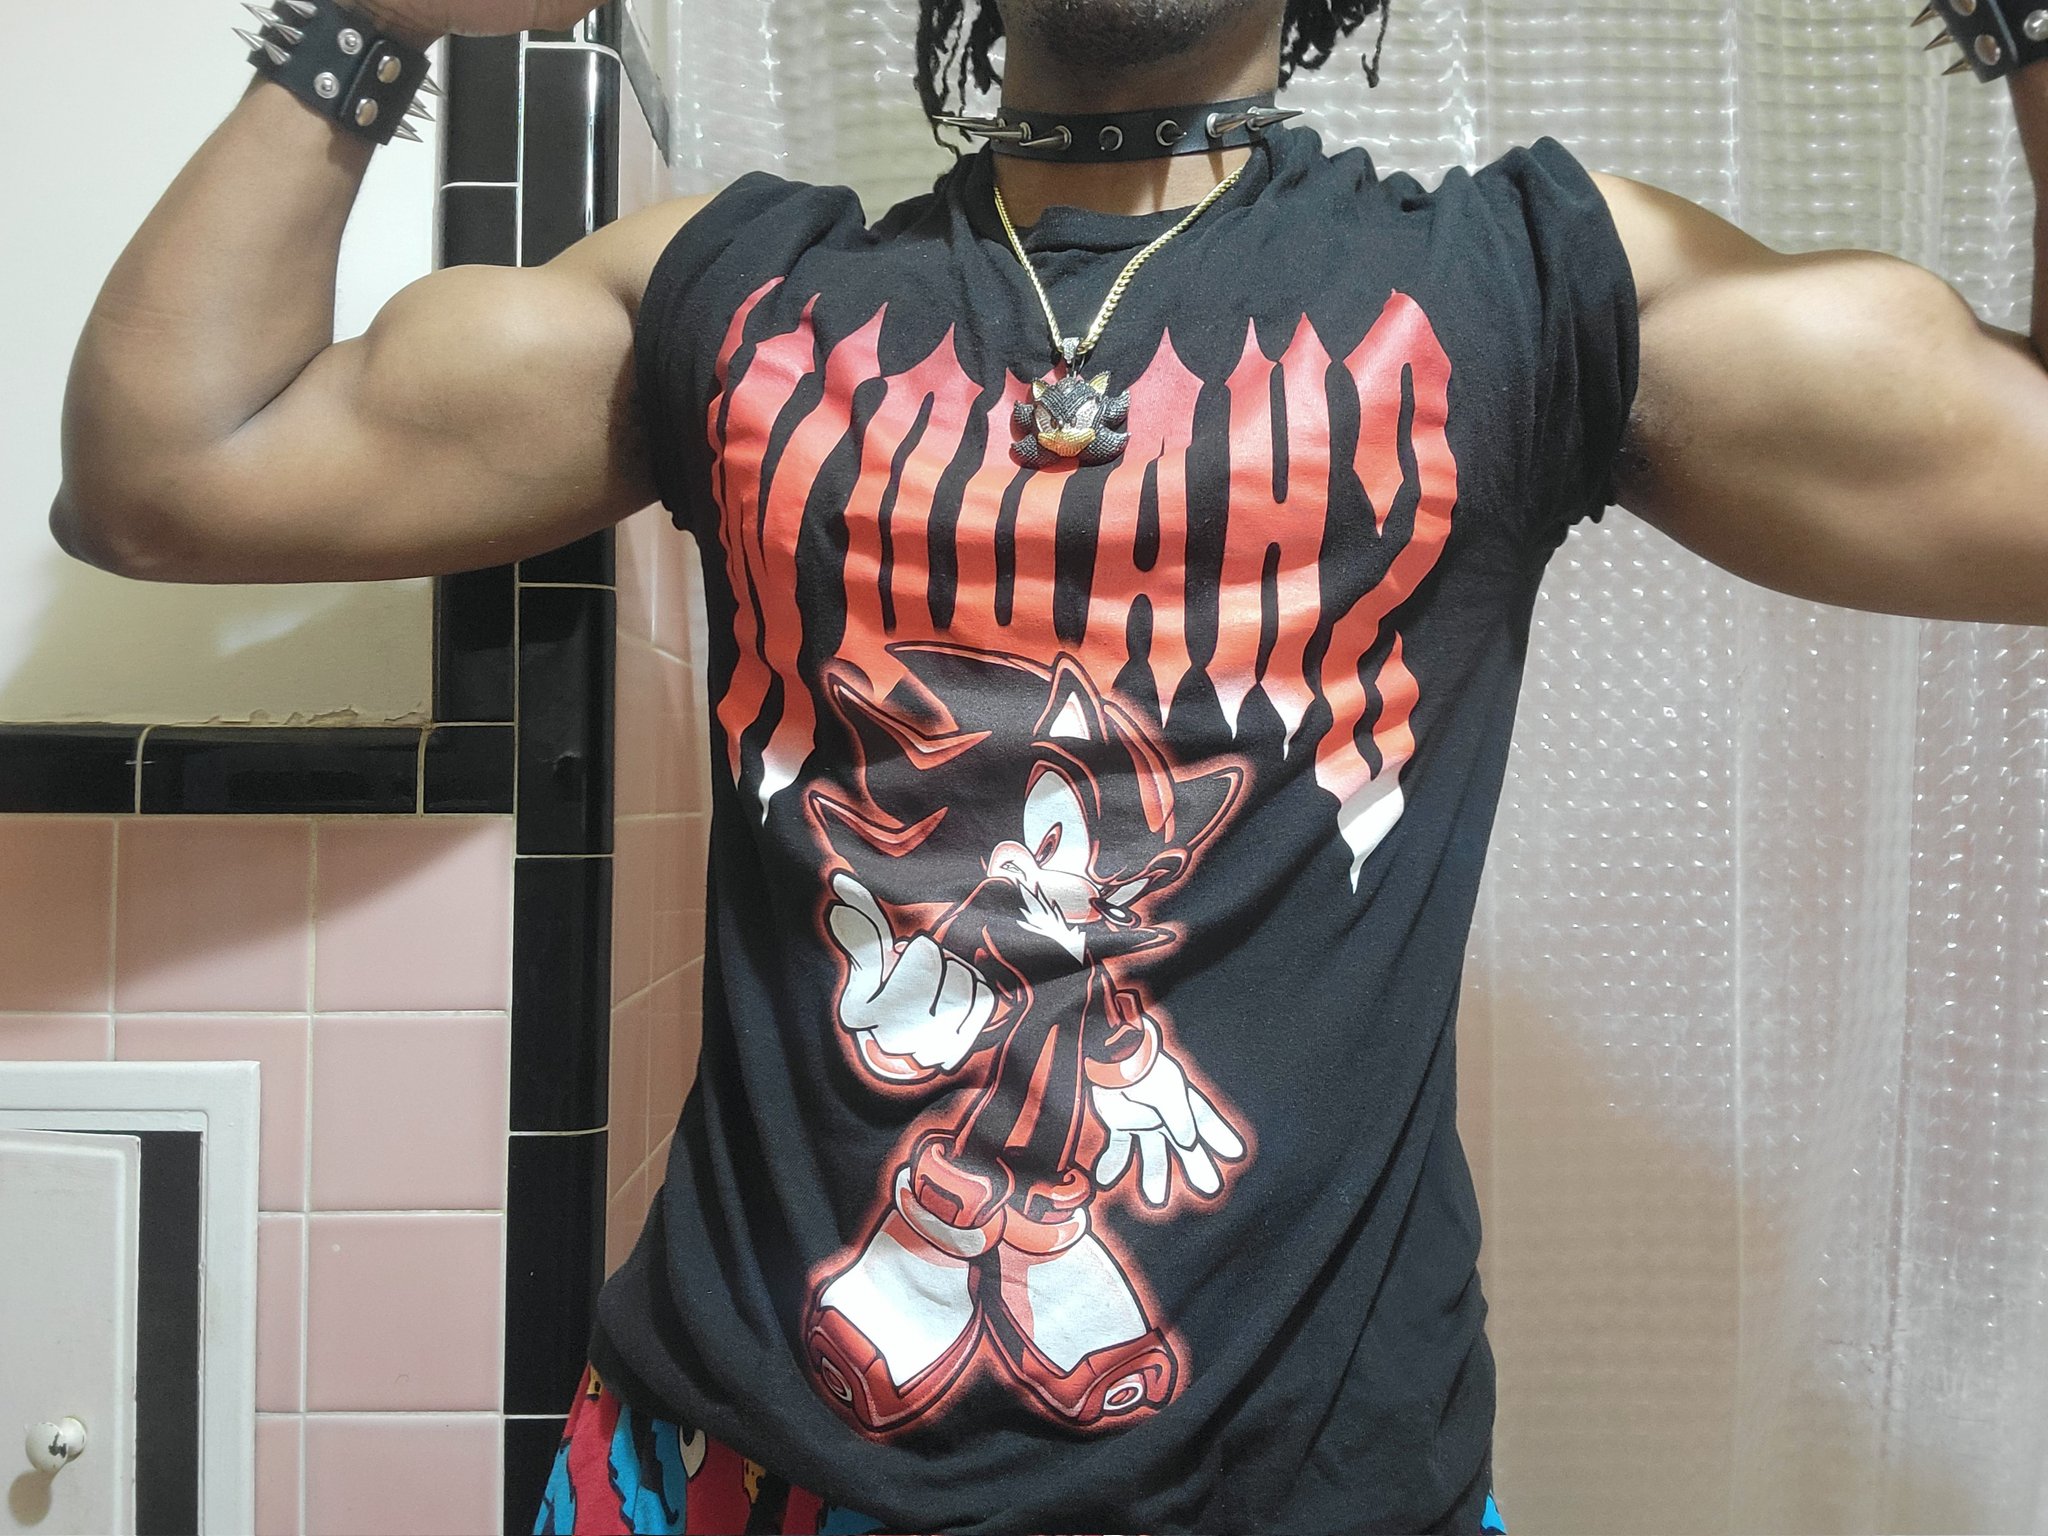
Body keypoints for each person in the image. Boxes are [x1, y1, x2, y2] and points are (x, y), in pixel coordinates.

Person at [50, 0, 2048, 1528]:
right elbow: (171, 470)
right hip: (736, 1475)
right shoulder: (736, 296)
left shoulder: (1518, 286)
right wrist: (365, 27)